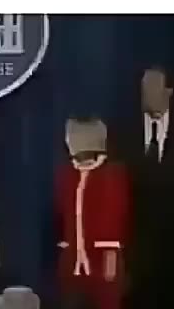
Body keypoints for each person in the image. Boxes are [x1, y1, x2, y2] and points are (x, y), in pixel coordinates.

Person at [112, 66, 174, 309]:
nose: (147, 94)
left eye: (153, 88)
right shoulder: (122, 133)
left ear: (169, 91)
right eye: (144, 89)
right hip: (136, 259)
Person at [54, 118, 130, 309]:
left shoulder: (112, 174)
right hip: (72, 261)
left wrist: (110, 260)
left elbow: (114, 219)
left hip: (103, 260)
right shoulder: (66, 175)